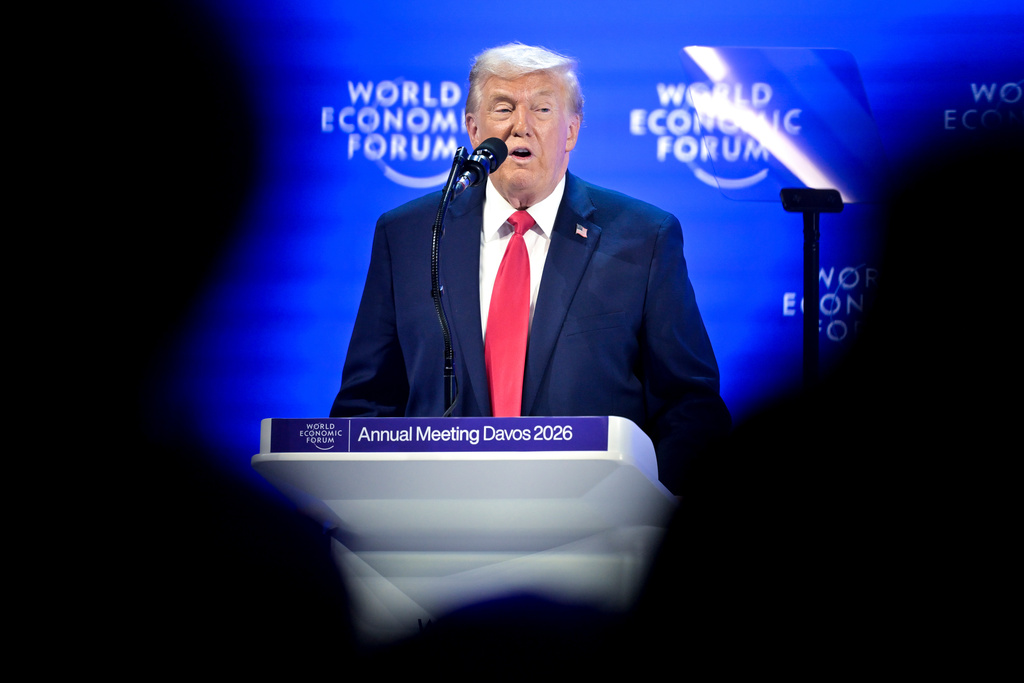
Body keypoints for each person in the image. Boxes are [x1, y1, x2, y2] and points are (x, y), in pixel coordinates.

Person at [331, 43, 730, 492]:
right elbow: (366, 404)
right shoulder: (409, 234)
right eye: (503, 108)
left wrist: (656, 516)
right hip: (436, 522)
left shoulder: (643, 237)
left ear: (571, 132)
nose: (521, 126)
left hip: (596, 527)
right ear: (474, 130)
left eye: (542, 108)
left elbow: (688, 404)